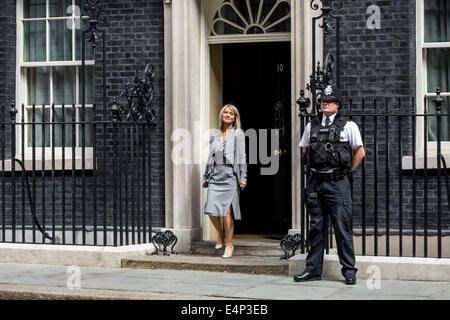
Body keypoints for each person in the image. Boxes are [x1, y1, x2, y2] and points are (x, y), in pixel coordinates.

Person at [294, 85, 365, 285]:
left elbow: (359, 152)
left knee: (342, 228)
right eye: (323, 101)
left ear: (337, 105)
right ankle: (313, 270)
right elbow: (304, 149)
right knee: (316, 228)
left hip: (337, 184)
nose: (325, 104)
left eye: (329, 101)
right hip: (316, 183)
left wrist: (345, 172)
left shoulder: (348, 125)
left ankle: (349, 271)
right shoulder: (312, 125)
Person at [203, 104, 247, 259]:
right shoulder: (214, 135)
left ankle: (229, 244)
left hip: (230, 177)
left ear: (235, 118)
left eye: (231, 113)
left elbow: (242, 157)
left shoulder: (238, 134)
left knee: (227, 212)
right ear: (222, 115)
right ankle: (220, 235)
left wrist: (243, 177)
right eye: (226, 112)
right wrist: (206, 176)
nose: (228, 115)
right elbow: (211, 157)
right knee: (210, 210)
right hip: (215, 177)